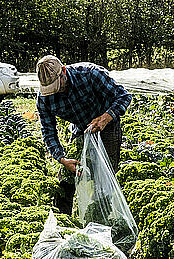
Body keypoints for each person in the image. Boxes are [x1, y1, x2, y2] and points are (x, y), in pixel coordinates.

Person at [36, 55, 132, 215]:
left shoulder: (90, 75)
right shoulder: (44, 99)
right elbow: (48, 131)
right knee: (65, 181)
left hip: (106, 127)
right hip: (80, 130)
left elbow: (124, 96)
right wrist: (61, 158)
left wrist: (105, 118)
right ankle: (61, 222)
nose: (52, 92)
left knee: (104, 178)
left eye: (55, 86)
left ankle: (102, 220)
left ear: (63, 72)